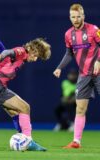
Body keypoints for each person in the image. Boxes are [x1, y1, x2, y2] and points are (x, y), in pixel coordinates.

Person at [53, 3, 100, 148]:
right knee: (80, 108)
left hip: (98, 72)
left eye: (78, 16)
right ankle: (76, 141)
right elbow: (69, 53)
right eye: (73, 17)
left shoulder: (94, 30)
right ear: (70, 17)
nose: (76, 19)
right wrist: (59, 67)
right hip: (84, 75)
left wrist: (98, 60)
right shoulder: (68, 34)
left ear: (83, 16)